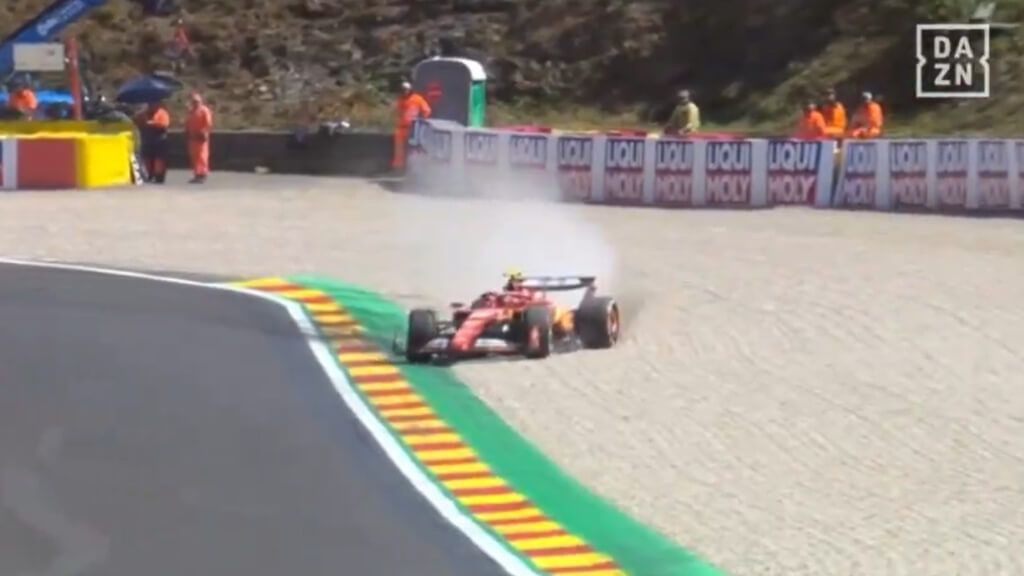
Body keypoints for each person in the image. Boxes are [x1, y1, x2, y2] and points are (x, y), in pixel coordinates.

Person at [392, 81, 431, 171]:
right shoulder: (400, 100)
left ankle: (414, 168)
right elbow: (397, 112)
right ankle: (399, 168)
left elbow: (426, 111)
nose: (404, 91)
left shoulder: (417, 99)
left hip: (414, 129)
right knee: (399, 150)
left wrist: (420, 121)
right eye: (403, 90)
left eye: (406, 90)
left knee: (414, 149)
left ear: (410, 90)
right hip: (401, 128)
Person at [134, 100, 171, 183]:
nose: (151, 105)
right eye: (149, 104)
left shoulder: (162, 113)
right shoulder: (143, 113)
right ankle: (148, 175)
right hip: (147, 139)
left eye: (153, 103)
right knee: (146, 158)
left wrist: (152, 123)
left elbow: (164, 124)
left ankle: (159, 176)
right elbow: (137, 121)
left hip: (159, 139)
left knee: (159, 159)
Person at [184, 91, 213, 183]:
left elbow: (208, 123)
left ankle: (203, 174)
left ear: (201, 101)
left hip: (201, 136)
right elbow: (187, 122)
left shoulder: (204, 110)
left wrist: (204, 132)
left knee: (202, 156)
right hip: (192, 137)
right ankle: (197, 174)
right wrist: (187, 131)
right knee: (194, 156)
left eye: (197, 101)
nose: (195, 103)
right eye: (194, 101)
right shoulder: (191, 111)